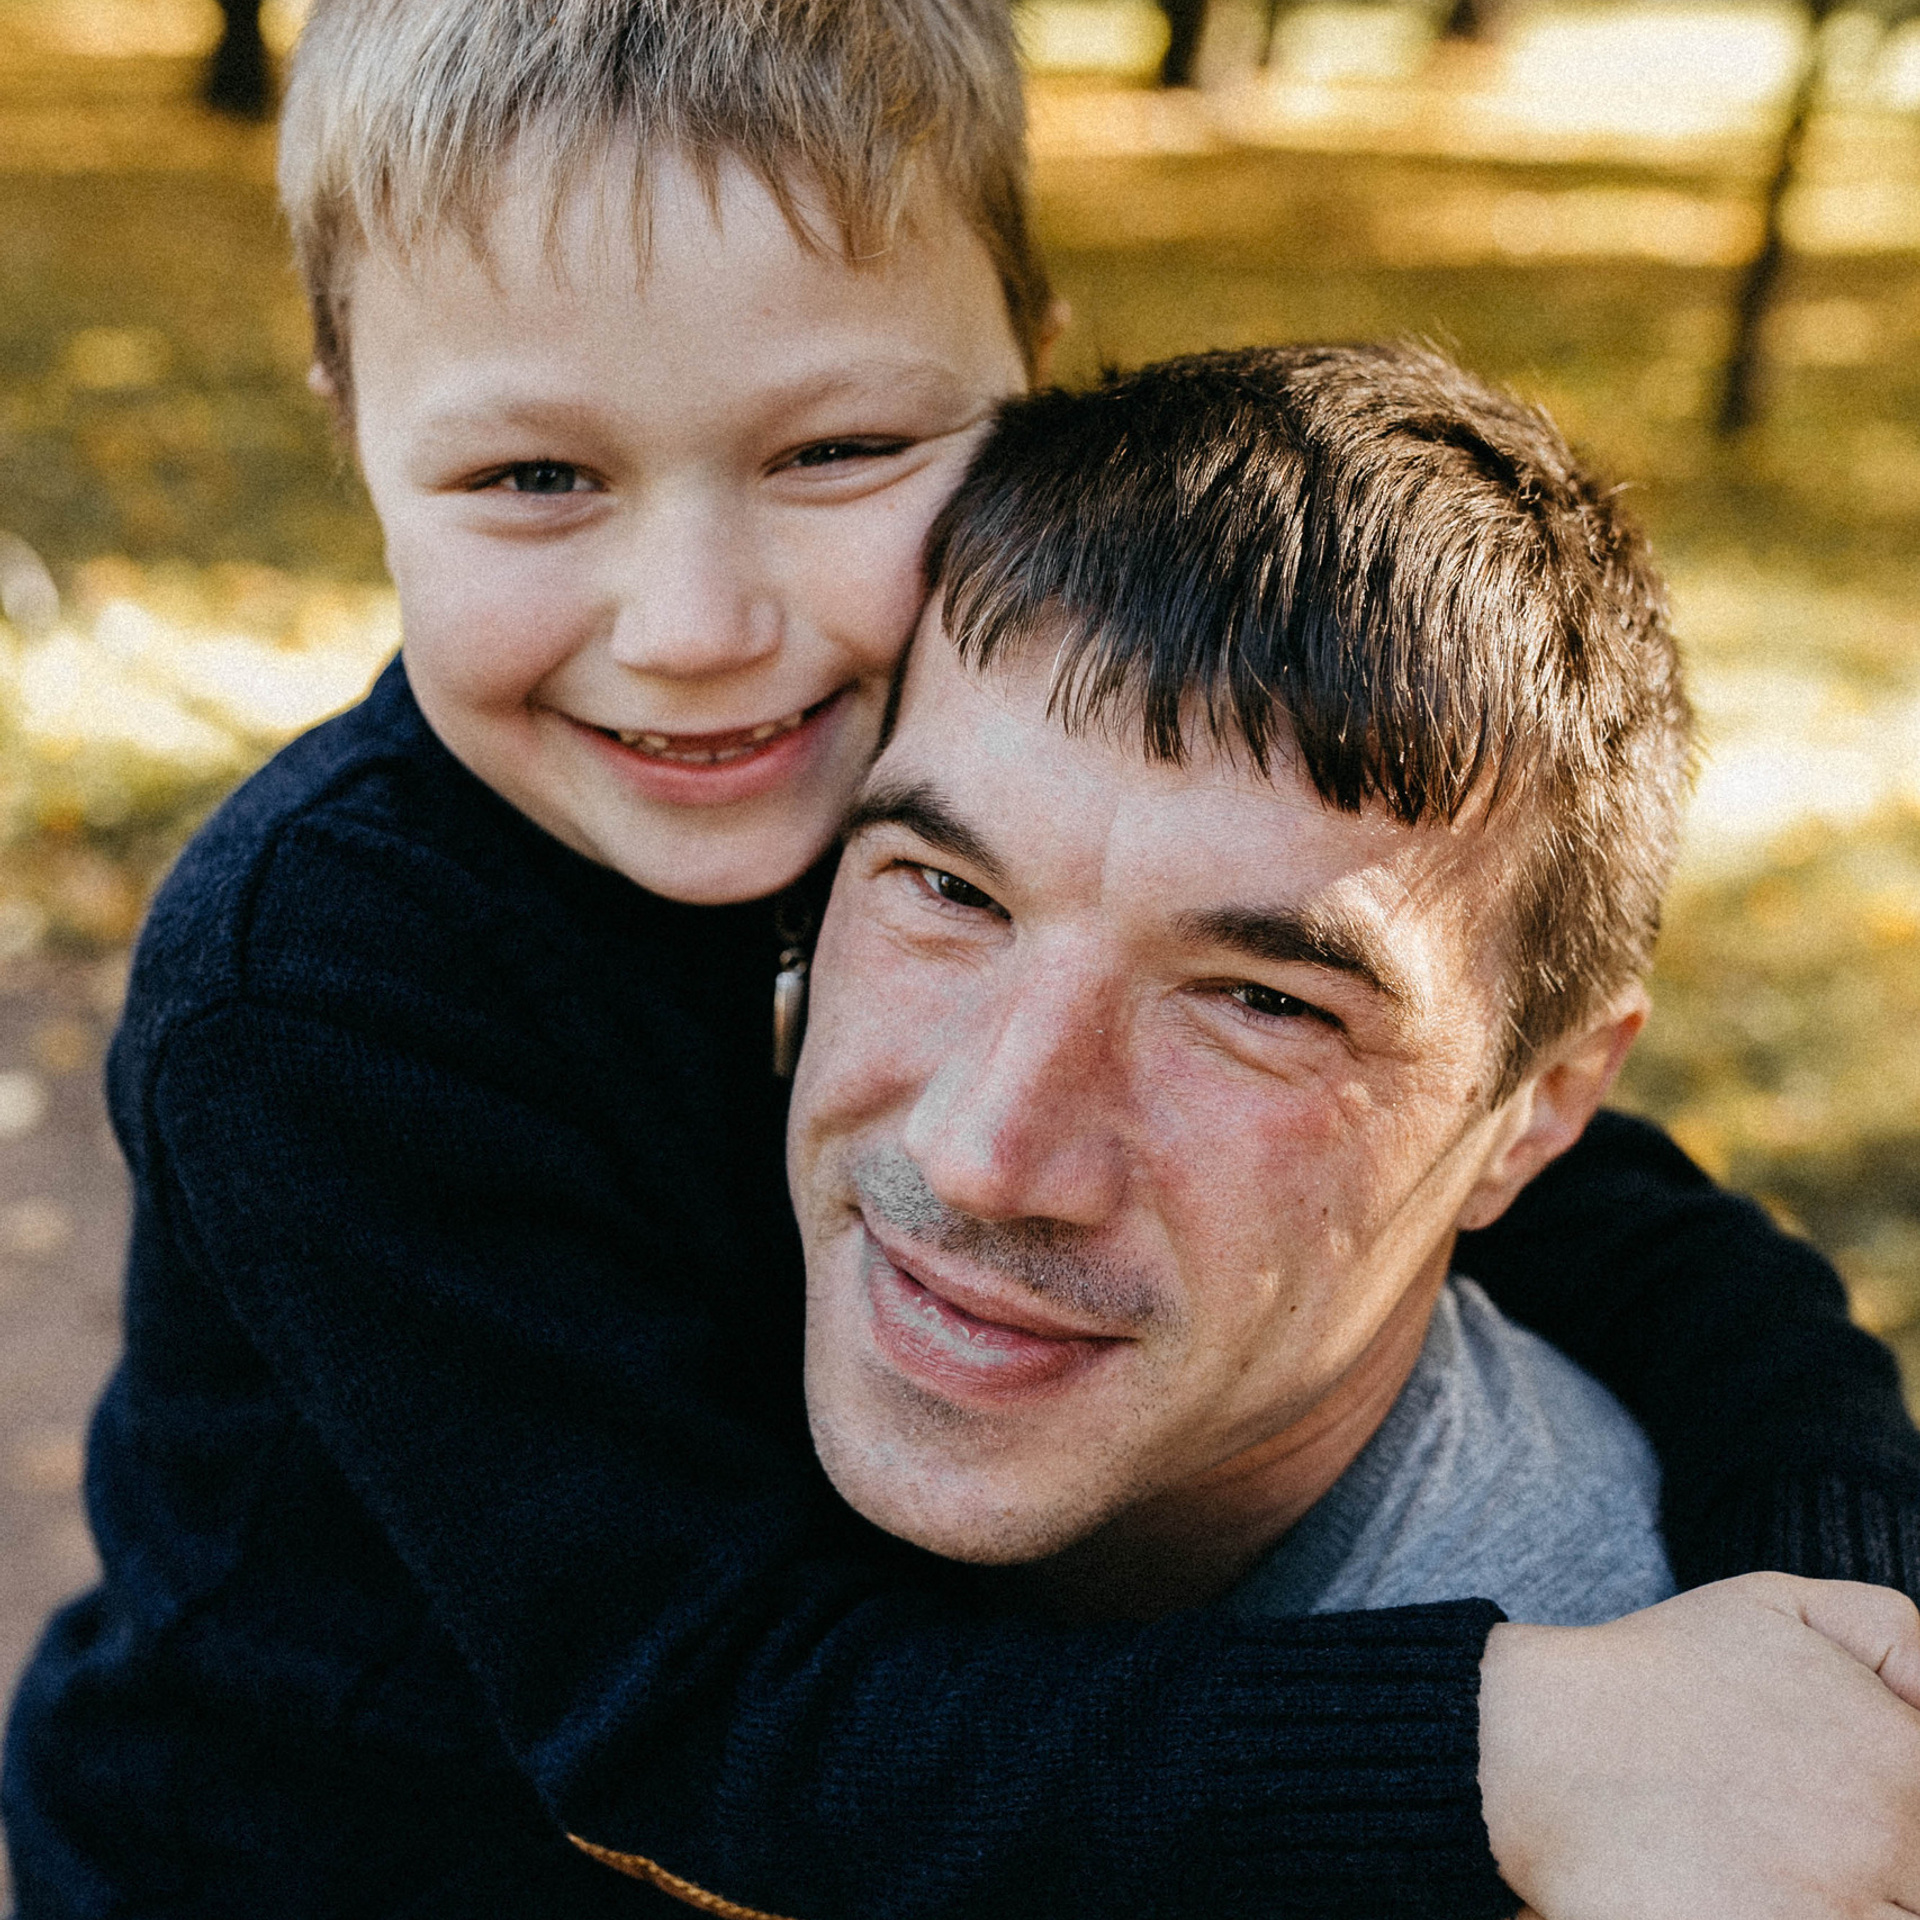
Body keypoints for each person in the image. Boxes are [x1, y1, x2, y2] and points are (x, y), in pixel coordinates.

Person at [3, 3, 1917, 1916]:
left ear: (1028, 378)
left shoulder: (946, 746)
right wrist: (1507, 1742)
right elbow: (719, 1715)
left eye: (837, 447)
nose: (694, 629)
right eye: (532, 480)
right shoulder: (323, 982)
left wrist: (1838, 1622)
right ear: (350, 419)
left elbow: (1639, 1237)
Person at [791, 342, 1694, 1639]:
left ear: (1541, 1106)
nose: (985, 1156)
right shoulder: (562, 1253)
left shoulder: (1638, 1749)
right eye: (949, 892)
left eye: (1263, 1005)